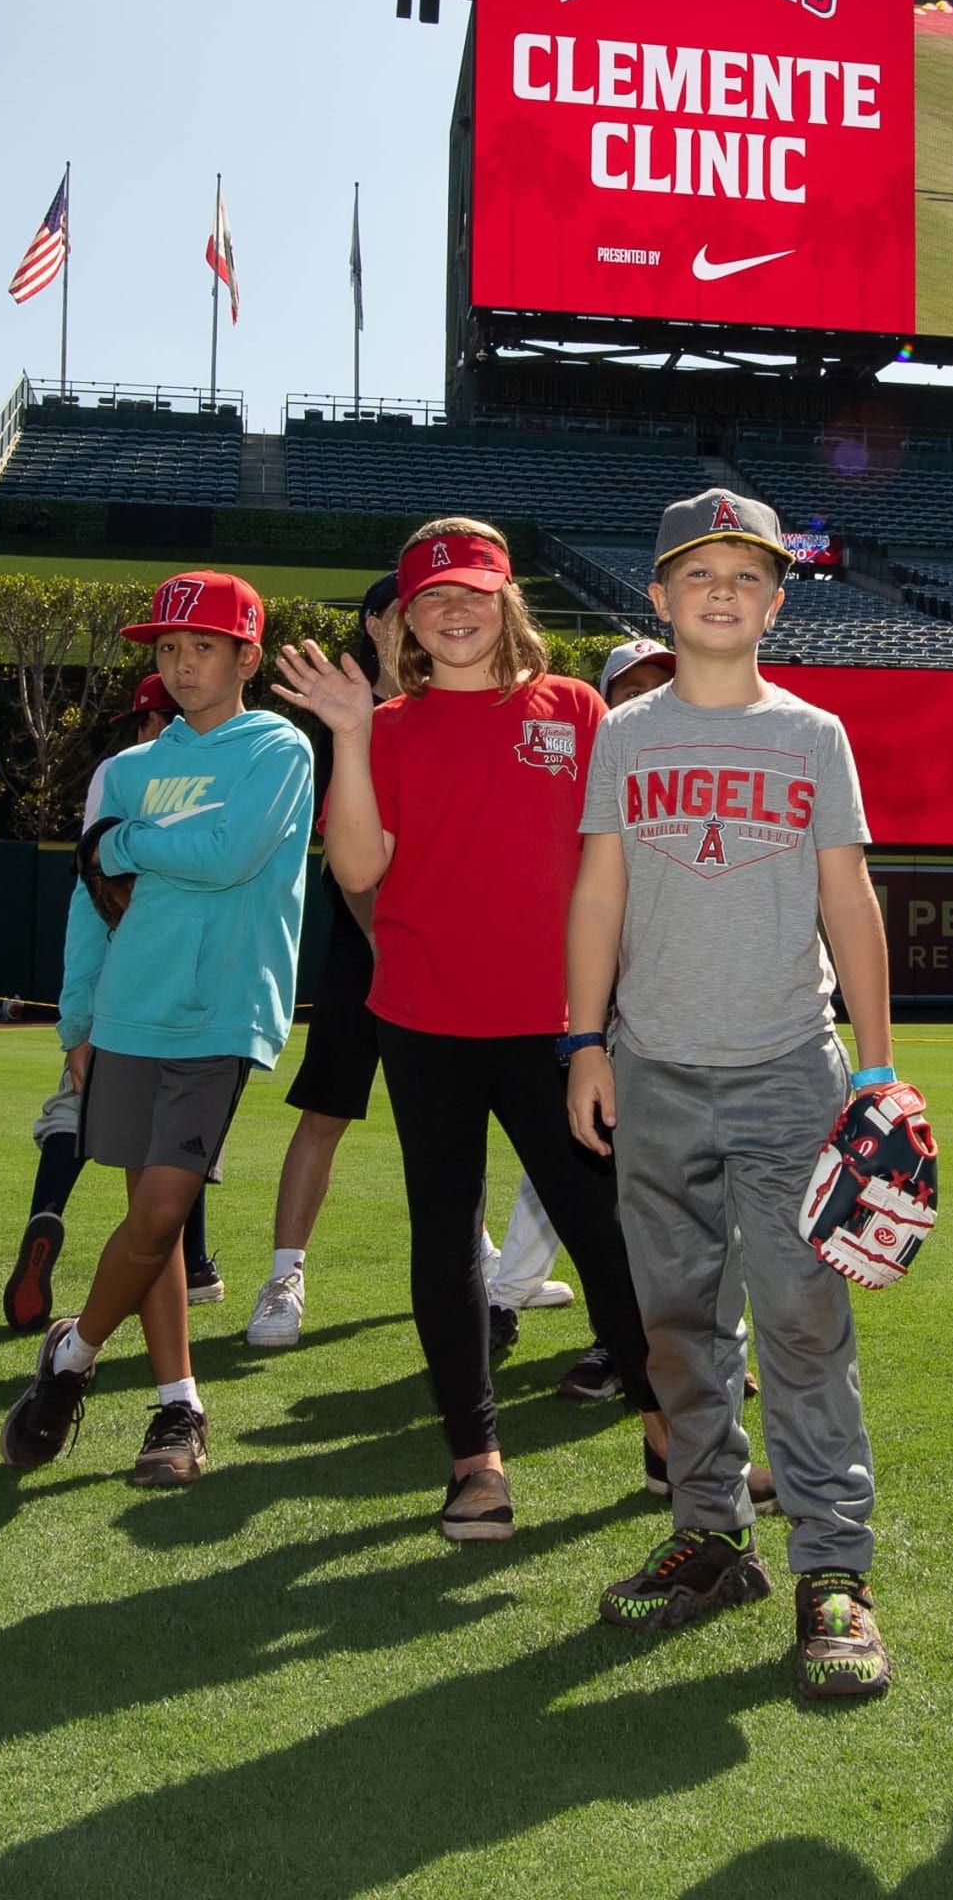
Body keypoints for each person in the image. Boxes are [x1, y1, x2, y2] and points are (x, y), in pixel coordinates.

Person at [271, 519, 661, 1542]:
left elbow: (616, 864)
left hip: (559, 1030)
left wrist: (606, 1015)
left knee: (607, 1232)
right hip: (427, 1025)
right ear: (403, 619)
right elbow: (359, 869)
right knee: (446, 1242)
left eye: (473, 591)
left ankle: (670, 1433)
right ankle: (475, 1461)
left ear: (506, 603)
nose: (453, 609)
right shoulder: (389, 728)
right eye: (431, 596)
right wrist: (351, 735)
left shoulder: (574, 707)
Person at [570, 487, 898, 1701]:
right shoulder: (624, 733)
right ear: (658, 597)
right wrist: (583, 1041)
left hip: (788, 1068)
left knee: (805, 1321)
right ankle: (710, 1534)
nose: (722, 591)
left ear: (775, 602)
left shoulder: (814, 734)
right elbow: (599, 892)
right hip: (652, 1067)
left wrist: (878, 1065)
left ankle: (834, 1567)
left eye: (747, 574)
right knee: (677, 1325)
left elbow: (848, 897)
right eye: (699, 572)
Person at [1, 572, 314, 1487]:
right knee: (157, 1224)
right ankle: (179, 1406)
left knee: (166, 1208)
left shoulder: (279, 748)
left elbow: (229, 856)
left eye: (203, 647)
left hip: (220, 1013)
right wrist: (78, 1020)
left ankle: (73, 1356)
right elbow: (91, 904)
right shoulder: (130, 770)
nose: (182, 665)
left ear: (247, 656)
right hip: (128, 1012)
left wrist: (125, 842)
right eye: (169, 649)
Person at [3, 672, 232, 1329]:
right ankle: (193, 1265)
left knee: (77, 1106)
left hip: (120, 979)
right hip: (192, 988)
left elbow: (89, 899)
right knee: (183, 1136)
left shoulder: (121, 774)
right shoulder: (221, 771)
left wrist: (77, 1020)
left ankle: (48, 1214)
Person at [482, 634, 679, 1387]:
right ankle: (543, 1311)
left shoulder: (688, 775)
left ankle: (693, 1341)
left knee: (679, 1183)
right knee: (573, 1158)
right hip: (592, 1008)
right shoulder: (572, 773)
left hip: (668, 1005)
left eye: (658, 686)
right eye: (629, 690)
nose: (645, 701)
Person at [242, 576, 402, 1351]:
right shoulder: (351, 710)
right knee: (327, 1111)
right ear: (372, 622)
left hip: (441, 951)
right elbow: (351, 865)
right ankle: (284, 1277)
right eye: (405, 609)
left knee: (456, 1114)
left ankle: (479, 1256)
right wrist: (382, 945)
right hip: (364, 949)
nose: (426, 621)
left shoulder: (459, 708)